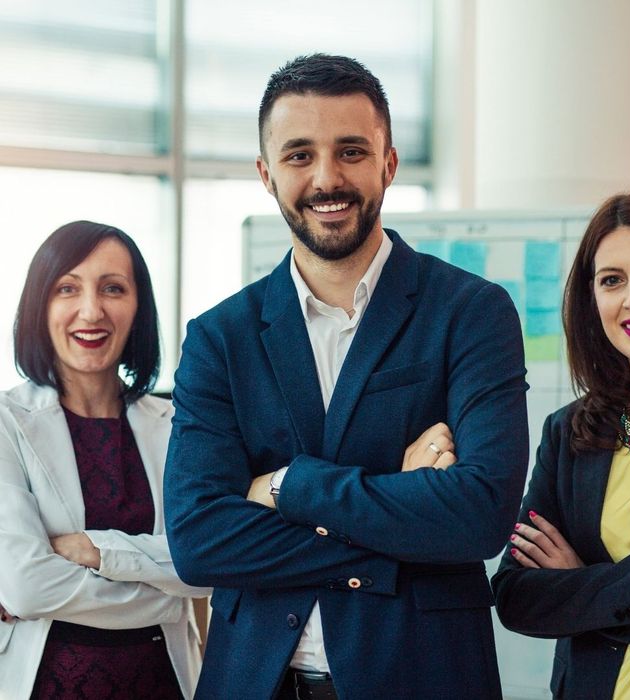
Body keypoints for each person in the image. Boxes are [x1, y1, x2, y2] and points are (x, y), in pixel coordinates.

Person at [164, 54, 529, 700]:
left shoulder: (471, 314)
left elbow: (479, 515)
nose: (327, 178)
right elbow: (198, 541)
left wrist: (283, 485)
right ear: (266, 174)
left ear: (388, 163)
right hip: (254, 682)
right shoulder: (220, 338)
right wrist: (399, 507)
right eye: (300, 155)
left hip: (422, 678)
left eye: (351, 152)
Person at [492, 189, 630, 699]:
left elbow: (555, 600)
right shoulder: (571, 431)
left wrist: (584, 588)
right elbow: (517, 596)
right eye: (612, 280)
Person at [0, 221, 209, 700]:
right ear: (39, 306)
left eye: (113, 288)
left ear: (139, 307)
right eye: (67, 288)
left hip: (166, 685)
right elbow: (27, 587)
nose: (91, 311)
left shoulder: (181, 424)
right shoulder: (7, 422)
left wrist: (94, 550)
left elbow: (207, 562)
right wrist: (166, 595)